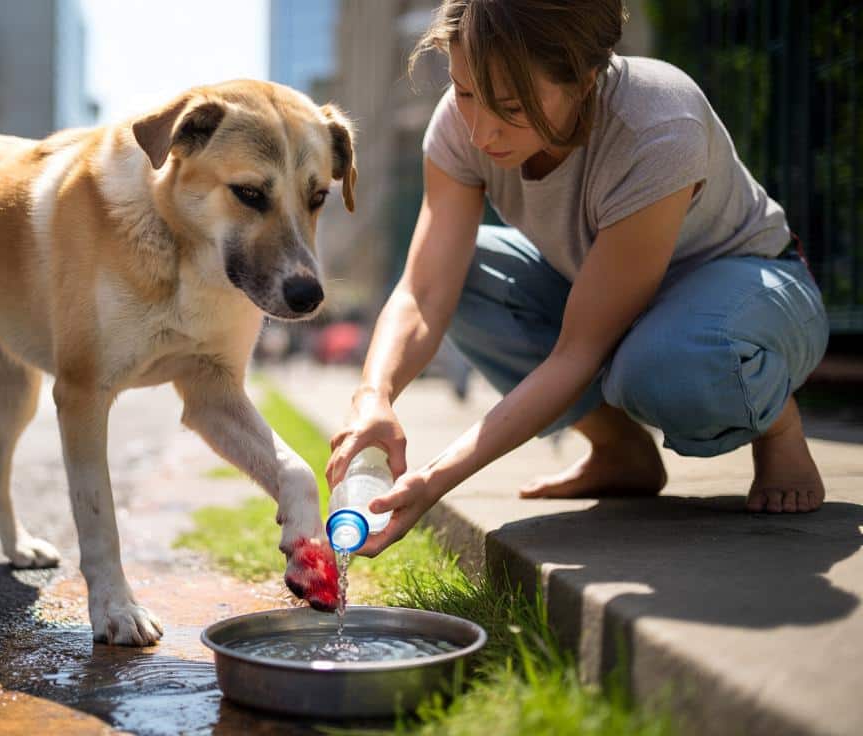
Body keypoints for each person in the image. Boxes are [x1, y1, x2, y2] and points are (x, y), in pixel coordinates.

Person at [326, 0, 829, 557]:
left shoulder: (658, 121)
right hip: (614, 299)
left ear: (587, 76)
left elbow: (578, 352)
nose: (480, 129)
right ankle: (620, 454)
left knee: (663, 367)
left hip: (755, 296)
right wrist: (374, 397)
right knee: (462, 271)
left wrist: (436, 478)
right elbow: (422, 293)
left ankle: (777, 420)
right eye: (465, 91)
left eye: (511, 107)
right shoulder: (457, 127)